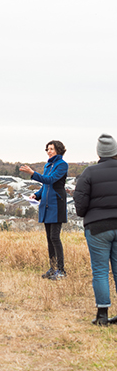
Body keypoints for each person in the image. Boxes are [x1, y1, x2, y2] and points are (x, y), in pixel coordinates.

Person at [74, 134, 117, 326]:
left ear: (99, 152)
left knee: (100, 271)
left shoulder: (89, 172)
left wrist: (88, 213)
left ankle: (102, 315)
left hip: (98, 226)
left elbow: (80, 203)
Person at [20, 140, 68, 280]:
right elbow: (45, 186)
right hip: (46, 205)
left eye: (51, 149)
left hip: (56, 204)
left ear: (58, 150)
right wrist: (37, 195)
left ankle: (61, 270)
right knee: (49, 238)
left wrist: (33, 173)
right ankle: (53, 268)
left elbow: (50, 180)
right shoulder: (48, 164)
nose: (49, 151)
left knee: (55, 237)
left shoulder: (62, 165)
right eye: (47, 149)